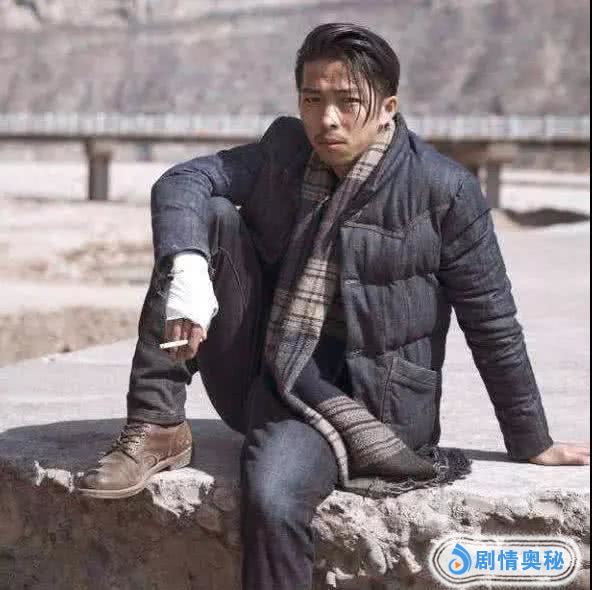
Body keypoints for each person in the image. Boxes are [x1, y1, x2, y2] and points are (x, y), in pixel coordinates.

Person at [76, 23, 590, 590]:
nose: (328, 120)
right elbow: (182, 181)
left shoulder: (444, 190)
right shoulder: (284, 153)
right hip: (269, 374)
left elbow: (491, 321)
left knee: (273, 495)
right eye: (312, 100)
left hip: (373, 403)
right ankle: (156, 424)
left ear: (387, 107)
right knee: (206, 222)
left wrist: (531, 440)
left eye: (348, 102)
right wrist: (191, 270)